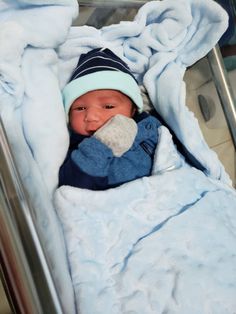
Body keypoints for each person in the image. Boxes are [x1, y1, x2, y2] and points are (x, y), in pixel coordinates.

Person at [59, 47, 161, 190]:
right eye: (80, 108)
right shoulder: (78, 152)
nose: (91, 117)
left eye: (108, 106)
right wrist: (101, 145)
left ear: (132, 110)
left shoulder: (149, 125)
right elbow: (75, 184)